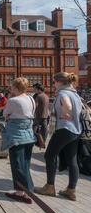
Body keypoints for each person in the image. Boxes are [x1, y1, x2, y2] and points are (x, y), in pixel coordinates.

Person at [35, 72, 83, 201]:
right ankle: (71, 190)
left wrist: (64, 113)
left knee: (49, 156)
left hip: (64, 130)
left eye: (54, 81)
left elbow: (67, 106)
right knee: (72, 160)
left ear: (60, 82)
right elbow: (85, 110)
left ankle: (50, 187)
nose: (53, 84)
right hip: (76, 131)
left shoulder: (63, 93)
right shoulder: (75, 94)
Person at [1, 77, 37, 204]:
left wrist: (11, 99)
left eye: (12, 86)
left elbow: (6, 114)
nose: (10, 88)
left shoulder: (13, 100)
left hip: (17, 136)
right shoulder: (31, 99)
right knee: (25, 164)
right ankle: (24, 191)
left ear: (15, 87)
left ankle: (25, 192)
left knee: (17, 165)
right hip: (29, 135)